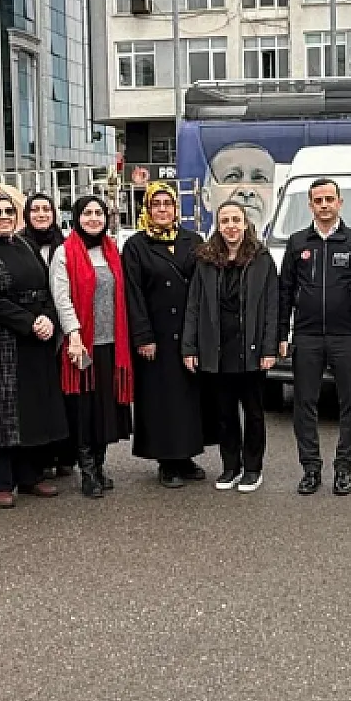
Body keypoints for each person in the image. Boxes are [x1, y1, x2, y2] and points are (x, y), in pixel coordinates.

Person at [0, 190, 67, 508]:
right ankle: (0, 482)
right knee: (1, 410)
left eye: (10, 211)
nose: (5, 216)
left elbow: (47, 287)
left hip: (34, 339)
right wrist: (29, 321)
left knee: (33, 408)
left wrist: (48, 316)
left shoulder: (25, 245)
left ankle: (30, 475)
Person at [278, 178, 351, 496]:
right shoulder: (296, 243)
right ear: (310, 205)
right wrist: (281, 334)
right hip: (306, 336)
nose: (325, 205)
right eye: (319, 200)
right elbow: (284, 293)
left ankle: (343, 470)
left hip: (347, 336)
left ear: (340, 203)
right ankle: (311, 469)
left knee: (350, 405)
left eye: (330, 199)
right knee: (304, 403)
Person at [184, 201, 279, 490]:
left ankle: (252, 468)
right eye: (225, 220)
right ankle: (230, 466)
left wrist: (269, 347)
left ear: (246, 222)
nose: (231, 226)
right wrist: (190, 347)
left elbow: (272, 306)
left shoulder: (261, 259)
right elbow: (194, 305)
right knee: (224, 412)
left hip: (250, 348)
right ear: (218, 224)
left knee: (253, 411)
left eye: (235, 219)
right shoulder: (205, 260)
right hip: (217, 348)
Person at [122, 182, 209, 488]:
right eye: (155, 204)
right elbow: (132, 294)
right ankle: (166, 461)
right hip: (156, 336)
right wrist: (143, 336)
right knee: (161, 399)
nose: (162, 209)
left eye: (167, 203)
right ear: (147, 209)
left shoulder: (193, 240)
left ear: (175, 208)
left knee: (187, 398)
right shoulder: (136, 246)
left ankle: (185, 456)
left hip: (187, 334)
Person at [53, 196, 135, 497]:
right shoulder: (65, 253)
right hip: (83, 346)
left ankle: (100, 466)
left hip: (112, 345)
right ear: (76, 217)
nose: (93, 218)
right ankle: (87, 473)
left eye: (98, 213)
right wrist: (74, 335)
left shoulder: (113, 252)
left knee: (105, 411)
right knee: (84, 411)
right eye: (87, 213)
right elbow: (62, 299)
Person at [25, 190, 75, 479]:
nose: (41, 214)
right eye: (35, 210)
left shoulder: (65, 245)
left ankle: (64, 453)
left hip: (62, 326)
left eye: (46, 209)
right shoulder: (19, 244)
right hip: (34, 326)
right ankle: (40, 457)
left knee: (65, 394)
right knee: (39, 395)